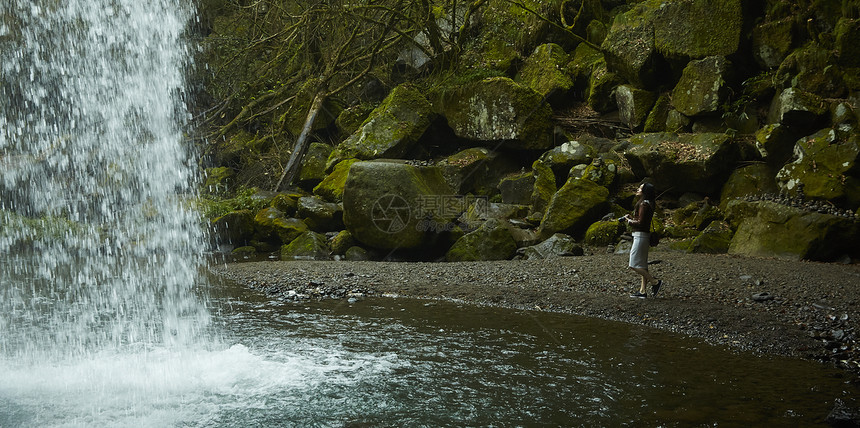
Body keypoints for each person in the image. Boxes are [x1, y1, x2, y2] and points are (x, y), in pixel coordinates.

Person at [621, 182, 662, 298]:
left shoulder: (643, 204)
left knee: (633, 264)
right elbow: (642, 220)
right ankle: (643, 291)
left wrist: (628, 221)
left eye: (640, 188)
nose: (638, 189)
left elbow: (640, 222)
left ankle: (655, 282)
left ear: (645, 192)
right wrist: (631, 218)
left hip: (640, 236)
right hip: (644, 236)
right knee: (643, 264)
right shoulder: (649, 203)